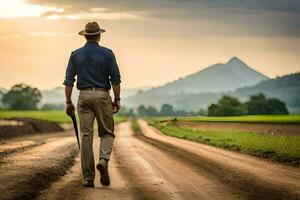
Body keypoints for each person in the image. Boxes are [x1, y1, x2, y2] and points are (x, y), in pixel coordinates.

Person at [63, 22, 121, 187]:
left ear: (85, 36)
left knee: (86, 137)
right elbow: (116, 79)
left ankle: (88, 178)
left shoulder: (76, 55)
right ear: (99, 36)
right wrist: (117, 99)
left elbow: (68, 81)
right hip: (103, 95)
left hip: (84, 96)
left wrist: (68, 102)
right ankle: (103, 161)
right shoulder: (108, 54)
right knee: (107, 133)